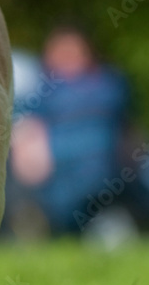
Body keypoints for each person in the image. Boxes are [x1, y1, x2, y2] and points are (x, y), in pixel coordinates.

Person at [9, 24, 132, 235]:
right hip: (55, 174)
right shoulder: (44, 88)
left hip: (102, 175)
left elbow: (128, 128)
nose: (67, 56)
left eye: (73, 50)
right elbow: (27, 128)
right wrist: (28, 154)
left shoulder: (110, 83)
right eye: (60, 50)